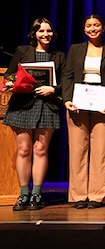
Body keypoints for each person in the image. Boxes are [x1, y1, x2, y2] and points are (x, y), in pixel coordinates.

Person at [3, 18, 65, 211]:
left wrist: (52, 89)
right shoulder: (23, 51)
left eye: (48, 31)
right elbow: (9, 76)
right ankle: (23, 194)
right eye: (41, 31)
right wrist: (17, 84)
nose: (45, 34)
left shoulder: (59, 56)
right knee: (24, 149)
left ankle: (36, 193)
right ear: (34, 34)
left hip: (47, 105)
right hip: (22, 105)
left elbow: (66, 82)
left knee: (40, 150)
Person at [61, 14, 105, 209]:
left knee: (100, 151)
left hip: (102, 106)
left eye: (96, 25)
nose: (93, 28)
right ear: (84, 29)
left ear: (103, 28)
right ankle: (79, 195)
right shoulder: (76, 50)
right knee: (78, 150)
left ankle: (96, 195)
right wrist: (67, 100)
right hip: (78, 104)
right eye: (89, 25)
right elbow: (68, 76)